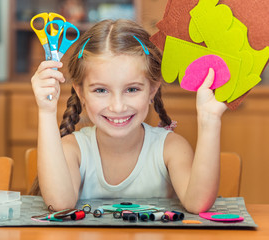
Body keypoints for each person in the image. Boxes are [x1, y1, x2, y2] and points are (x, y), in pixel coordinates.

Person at [31, 19, 227, 214]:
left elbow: (198, 204)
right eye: (101, 90)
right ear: (81, 93)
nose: (117, 107)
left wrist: (209, 120)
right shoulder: (73, 149)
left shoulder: (171, 148)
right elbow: (60, 205)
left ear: (152, 89)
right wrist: (46, 111)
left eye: (132, 89)